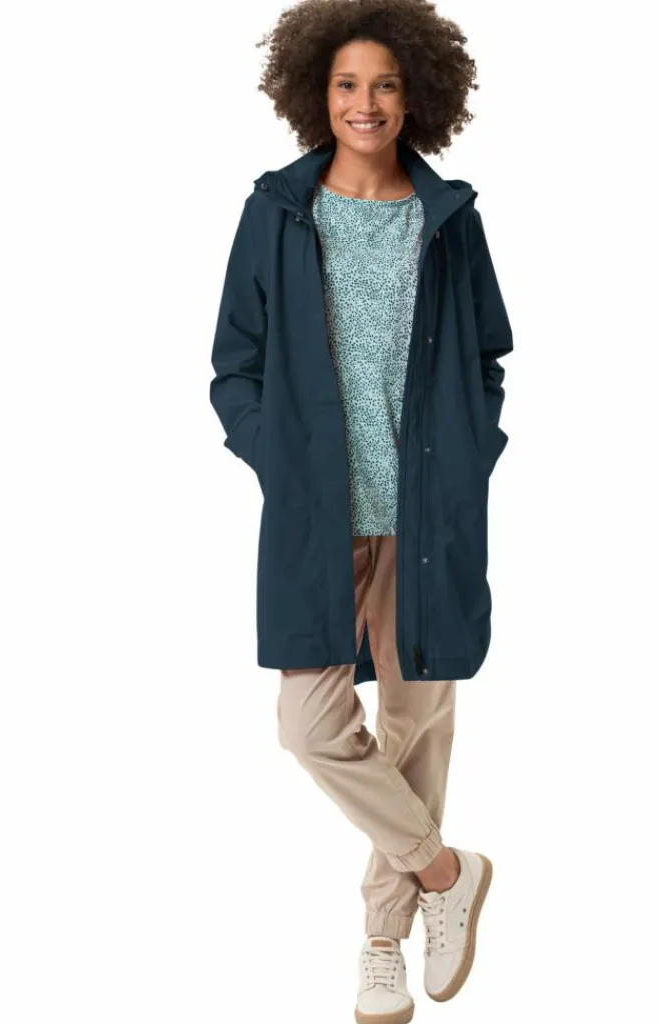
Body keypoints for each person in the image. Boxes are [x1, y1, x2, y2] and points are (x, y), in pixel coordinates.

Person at [209, 1, 513, 1019]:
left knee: (414, 728)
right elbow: (234, 366)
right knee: (309, 726)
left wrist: (471, 454)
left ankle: (382, 941)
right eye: (347, 85)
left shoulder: (449, 218)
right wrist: (278, 457)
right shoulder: (278, 211)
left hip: (427, 512)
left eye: (384, 84)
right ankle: (444, 872)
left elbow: (487, 357)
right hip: (319, 513)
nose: (365, 103)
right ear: (317, 94)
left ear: (415, 94)